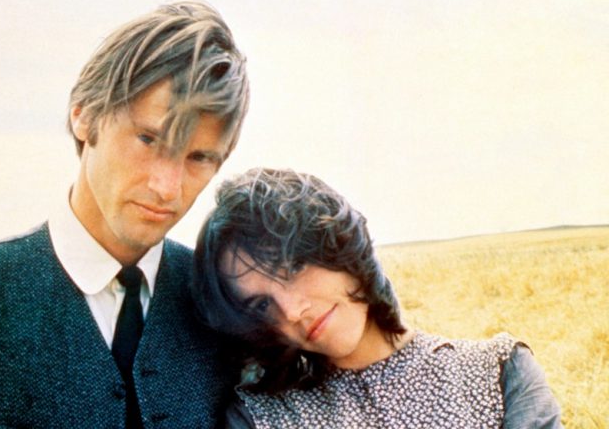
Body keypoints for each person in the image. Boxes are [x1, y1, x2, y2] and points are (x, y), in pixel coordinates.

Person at [0, 1, 249, 428]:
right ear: (84, 116)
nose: (167, 186)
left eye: (198, 157)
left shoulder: (225, 307)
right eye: (148, 139)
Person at [190, 168, 563, 428]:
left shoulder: (497, 374)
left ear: (339, 244)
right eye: (261, 305)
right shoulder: (262, 417)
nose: (291, 311)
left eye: (293, 267)